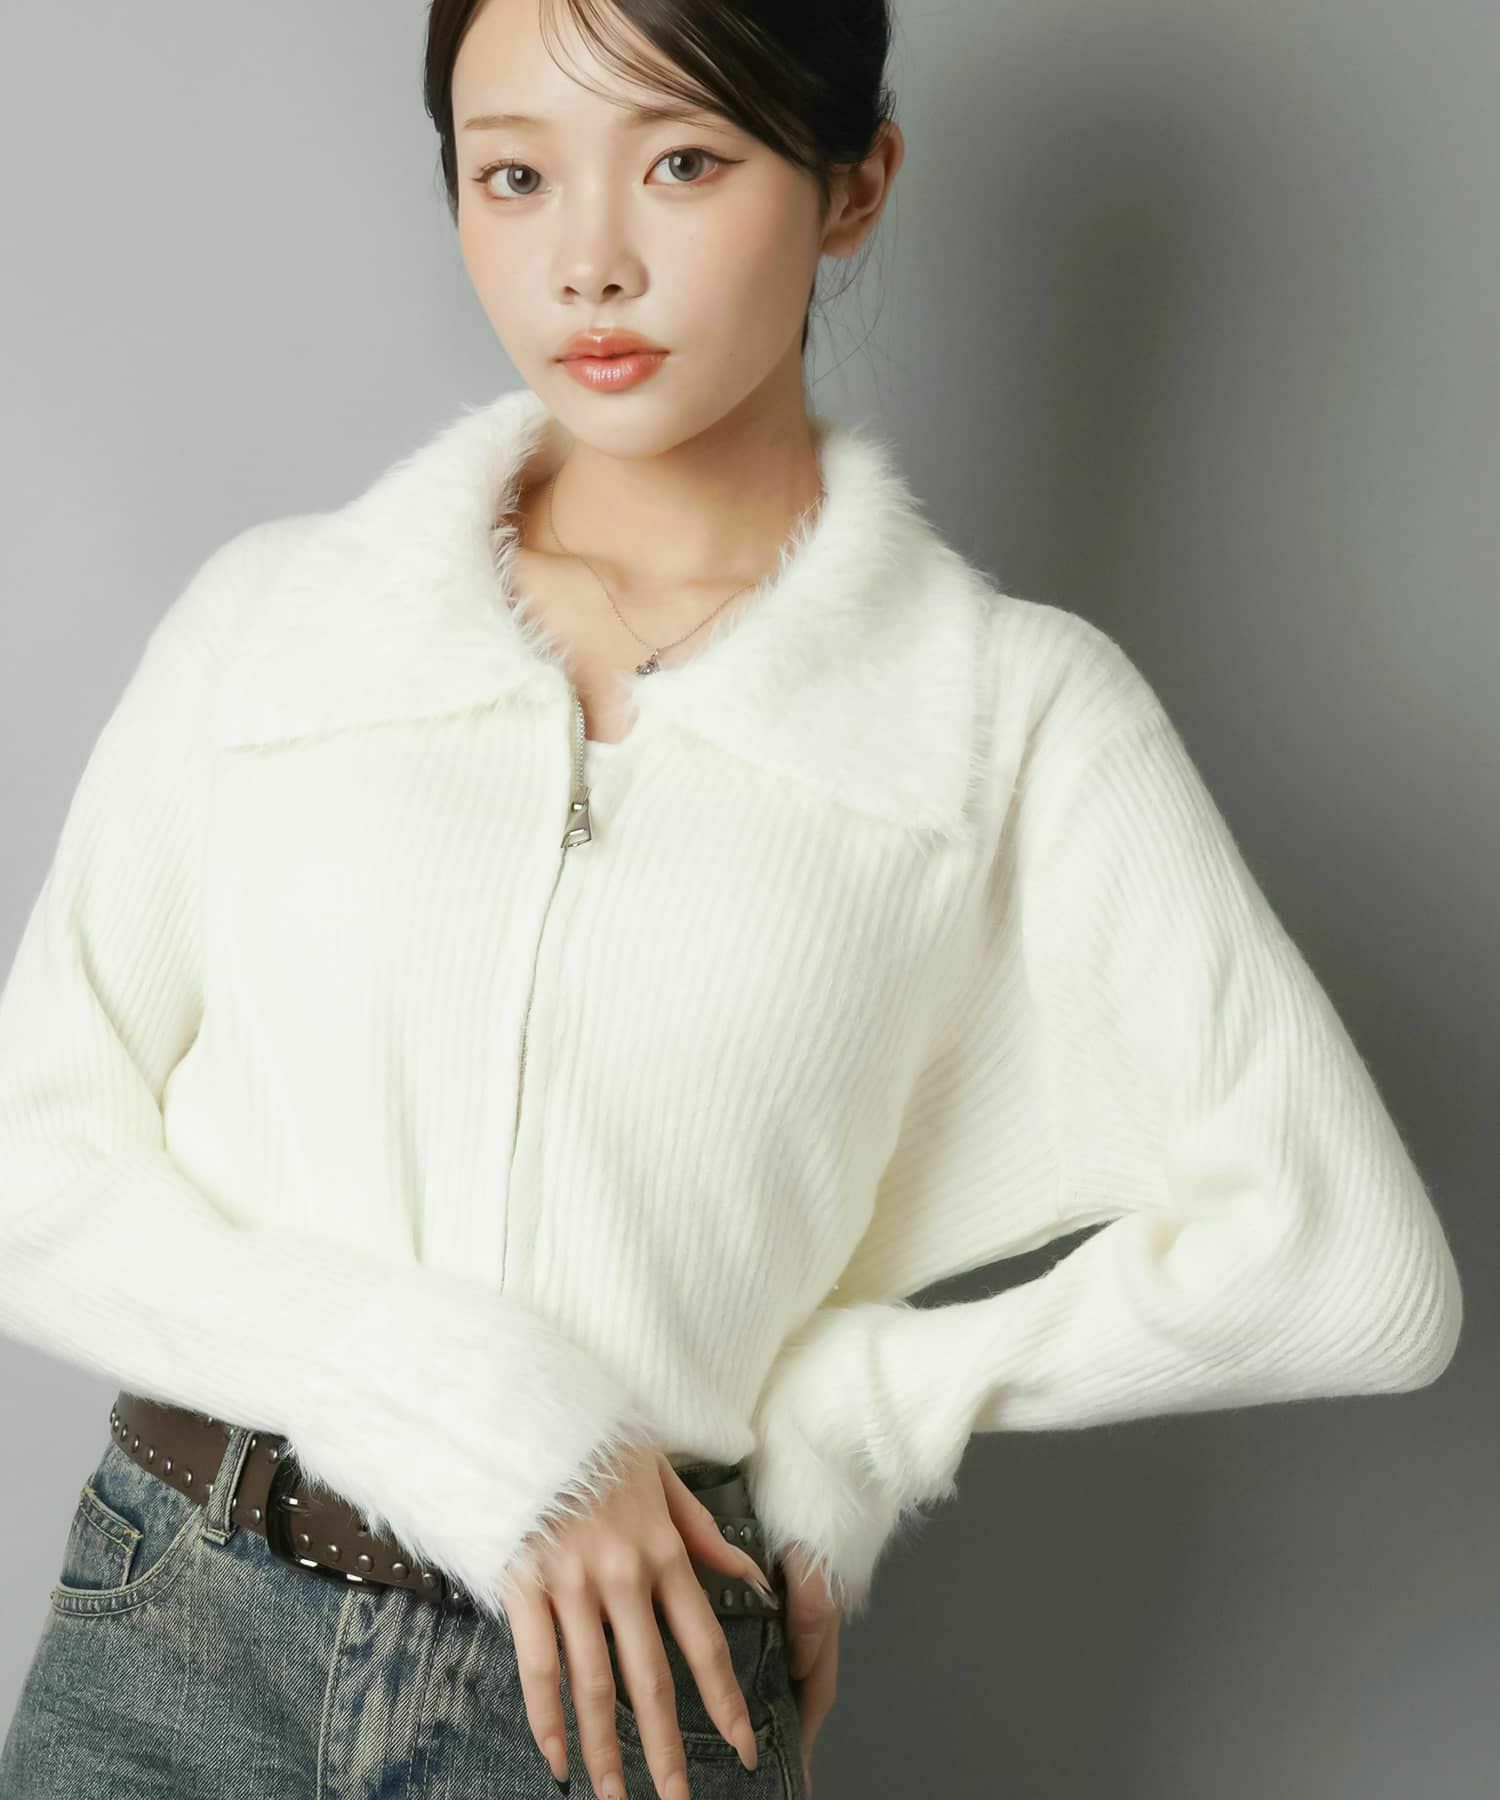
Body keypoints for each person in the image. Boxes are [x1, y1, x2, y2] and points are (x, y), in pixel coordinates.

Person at [0, 0, 1464, 1796]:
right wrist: (461, 1396)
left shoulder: (1002, 716)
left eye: (683, 162)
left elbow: (1348, 1264)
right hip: (177, 1635)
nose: (590, 262)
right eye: (515, 177)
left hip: (612, 1707)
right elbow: (28, 1167)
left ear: (856, 186)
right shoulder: (280, 624)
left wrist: (869, 1405)